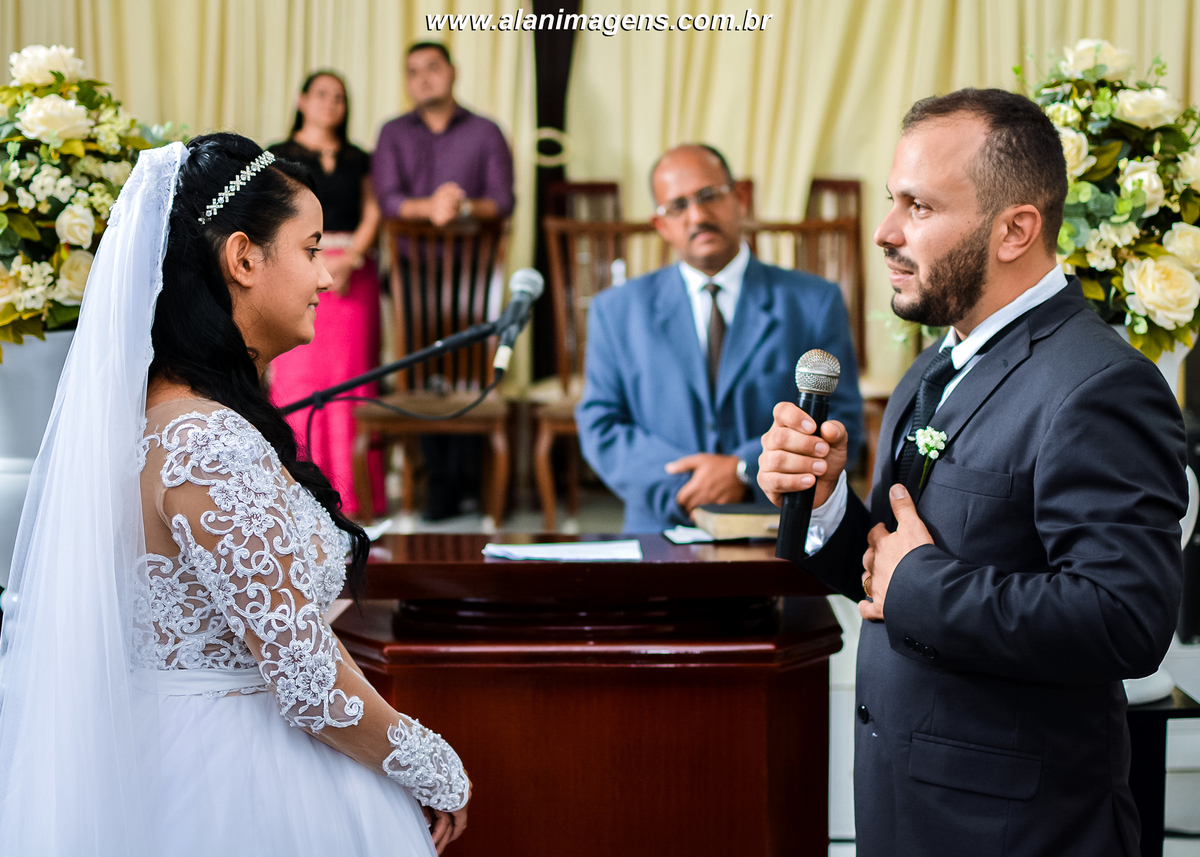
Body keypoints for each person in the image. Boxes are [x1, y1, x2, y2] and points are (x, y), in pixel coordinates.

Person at [0, 135, 470, 856]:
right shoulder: (205, 441)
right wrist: (436, 764)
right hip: (231, 782)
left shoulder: (171, 417)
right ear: (244, 257)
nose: (325, 274)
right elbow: (306, 678)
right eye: (311, 248)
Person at [758, 89, 1187, 855]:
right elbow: (894, 560)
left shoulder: (1099, 385)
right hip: (909, 806)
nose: (885, 232)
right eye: (894, 201)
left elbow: (1126, 619)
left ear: (1016, 228)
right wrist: (826, 506)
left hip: (1017, 828)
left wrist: (919, 580)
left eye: (918, 207)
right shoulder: (935, 362)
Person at [576, 144, 863, 533]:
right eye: (677, 206)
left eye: (708, 196)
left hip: (774, 526)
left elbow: (842, 418)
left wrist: (744, 469)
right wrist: (689, 486)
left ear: (740, 198)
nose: (697, 216)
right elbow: (601, 425)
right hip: (661, 524)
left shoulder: (812, 301)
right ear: (661, 225)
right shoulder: (617, 310)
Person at [373, 41, 516, 521]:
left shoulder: (486, 131)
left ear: (452, 72)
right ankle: (438, 484)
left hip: (474, 279)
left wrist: (463, 206)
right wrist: (430, 207)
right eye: (412, 71)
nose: (423, 78)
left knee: (469, 372)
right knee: (423, 374)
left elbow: (504, 200)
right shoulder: (393, 132)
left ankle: (468, 480)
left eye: (432, 68)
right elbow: (389, 200)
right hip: (415, 274)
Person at [268, 70, 384, 519]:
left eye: (339, 96)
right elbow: (275, 216)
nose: (330, 103)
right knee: (299, 380)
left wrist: (351, 257)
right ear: (301, 99)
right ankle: (300, 493)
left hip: (355, 275)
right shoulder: (276, 155)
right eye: (321, 94)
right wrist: (313, 259)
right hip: (298, 268)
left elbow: (373, 211)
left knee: (354, 382)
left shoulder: (360, 158)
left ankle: (359, 498)